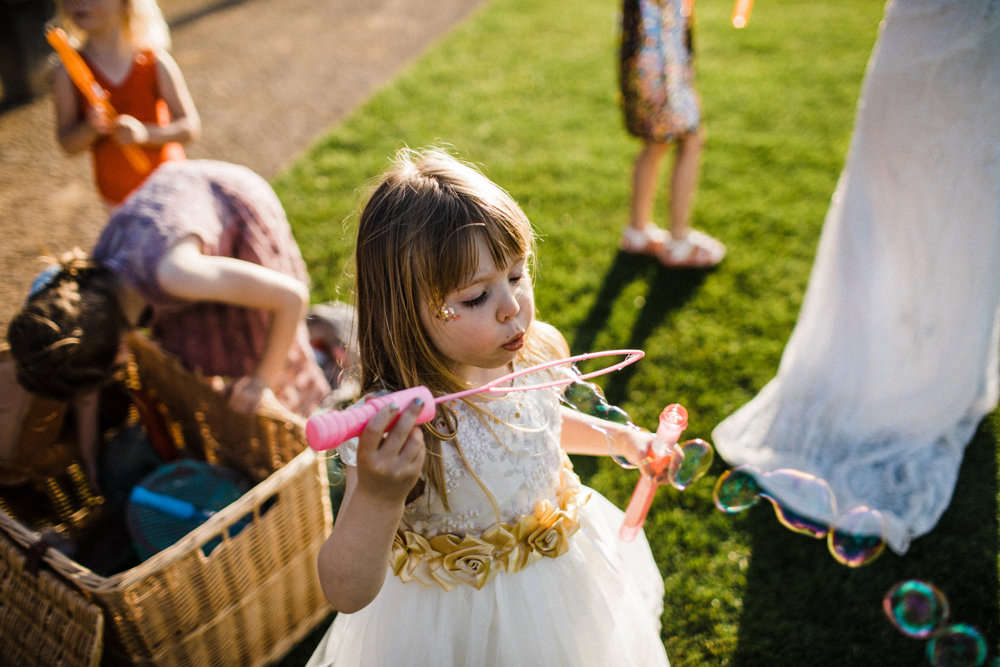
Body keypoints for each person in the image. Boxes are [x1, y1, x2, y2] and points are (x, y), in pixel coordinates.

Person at [306, 148, 671, 666]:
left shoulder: (538, 352)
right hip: (450, 626)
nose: (512, 307)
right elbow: (345, 592)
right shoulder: (395, 427)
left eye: (517, 275)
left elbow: (535, 427)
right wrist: (382, 496)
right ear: (405, 310)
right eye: (477, 296)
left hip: (558, 585)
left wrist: (622, 441)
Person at [712, 0, 1000, 554]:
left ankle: (936, 372)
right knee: (884, 222)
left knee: (964, 225)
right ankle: (871, 370)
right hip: (918, 40)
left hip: (984, 58)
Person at [7, 159, 331, 486]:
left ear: (120, 348)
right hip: (175, 214)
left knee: (260, 341)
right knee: (198, 345)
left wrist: (261, 381)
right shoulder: (84, 293)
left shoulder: (176, 275)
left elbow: (290, 297)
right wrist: (90, 457)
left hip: (227, 199)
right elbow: (86, 382)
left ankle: (319, 387)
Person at [51, 0, 200, 206]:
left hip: (171, 187)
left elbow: (189, 127)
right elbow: (67, 143)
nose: (78, 2)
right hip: (117, 199)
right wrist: (90, 128)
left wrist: (144, 134)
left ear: (126, 4)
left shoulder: (155, 62)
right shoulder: (65, 73)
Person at [617, 0, 724, 268]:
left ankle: (637, 232)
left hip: (647, 56)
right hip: (662, 64)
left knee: (656, 143)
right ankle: (679, 242)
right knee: (691, 139)